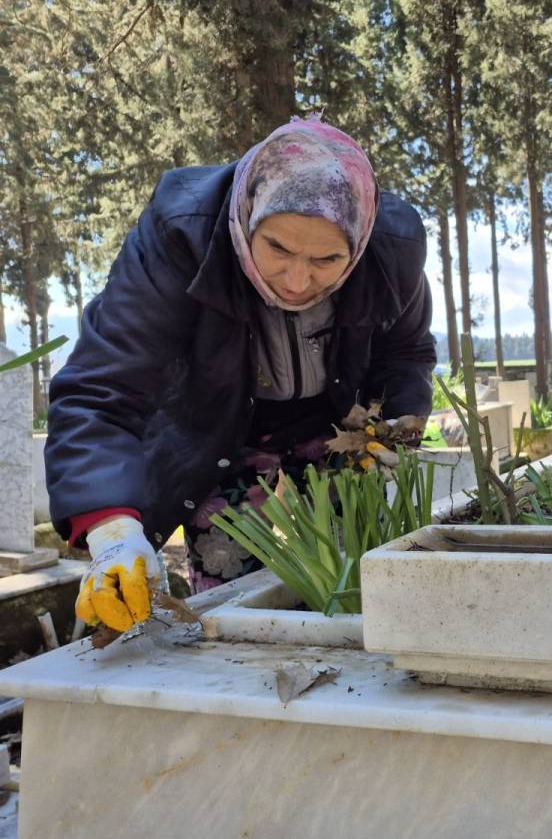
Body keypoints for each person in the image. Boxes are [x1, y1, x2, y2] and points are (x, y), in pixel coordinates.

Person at [47, 117, 437, 634]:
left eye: (327, 260)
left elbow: (405, 353)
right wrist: (112, 529)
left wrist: (395, 423)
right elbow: (102, 388)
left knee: (346, 592)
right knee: (234, 613)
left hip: (337, 432)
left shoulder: (392, 247)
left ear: (359, 243)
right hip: (218, 436)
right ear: (247, 216)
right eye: (277, 248)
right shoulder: (181, 234)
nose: (297, 281)